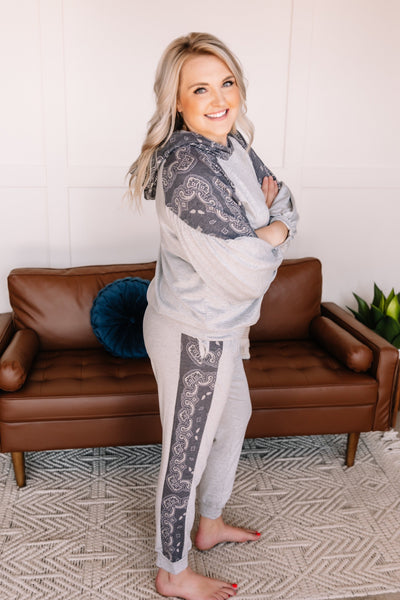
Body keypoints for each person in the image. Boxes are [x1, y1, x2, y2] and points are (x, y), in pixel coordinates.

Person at [128, 32, 298, 600]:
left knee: (235, 415)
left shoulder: (233, 144)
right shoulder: (187, 170)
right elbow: (247, 272)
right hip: (193, 331)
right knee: (187, 452)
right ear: (177, 101)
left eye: (226, 83)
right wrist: (272, 229)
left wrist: (266, 229)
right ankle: (171, 571)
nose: (219, 98)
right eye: (200, 89)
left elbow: (286, 200)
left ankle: (209, 523)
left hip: (225, 326)